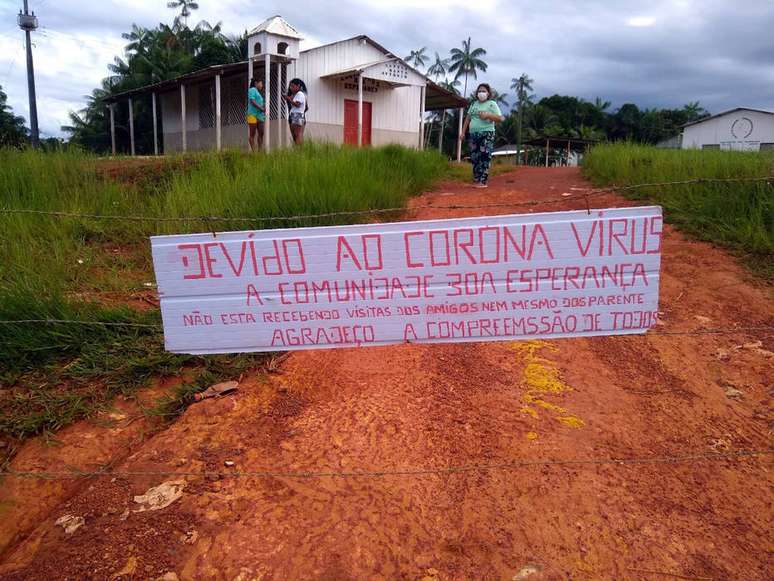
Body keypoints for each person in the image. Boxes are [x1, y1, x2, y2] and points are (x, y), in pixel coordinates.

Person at [459, 83, 504, 188]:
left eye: (483, 91)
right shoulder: (474, 104)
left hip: (487, 133)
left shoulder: (492, 104)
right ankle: (476, 179)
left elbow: (501, 118)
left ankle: (483, 181)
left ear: (488, 93)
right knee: (475, 157)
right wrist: (463, 132)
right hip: (473, 134)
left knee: (484, 156)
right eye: (479, 91)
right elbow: (468, 118)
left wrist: (488, 115)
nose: (481, 93)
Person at [284, 78, 307, 146]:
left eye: (293, 86)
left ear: (298, 86)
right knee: (295, 135)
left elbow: (297, 104)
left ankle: (299, 150)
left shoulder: (300, 94)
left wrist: (288, 99)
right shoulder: (296, 94)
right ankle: (297, 149)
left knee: (297, 134)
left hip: (298, 114)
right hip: (294, 115)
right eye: (290, 86)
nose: (291, 88)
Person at [247, 78, 265, 151]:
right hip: (252, 114)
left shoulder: (258, 92)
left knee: (261, 133)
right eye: (261, 83)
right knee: (252, 133)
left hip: (260, 115)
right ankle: (254, 152)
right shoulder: (252, 90)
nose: (262, 85)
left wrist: (263, 107)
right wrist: (261, 108)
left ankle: (260, 151)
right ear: (256, 83)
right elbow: (252, 101)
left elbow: (260, 102)